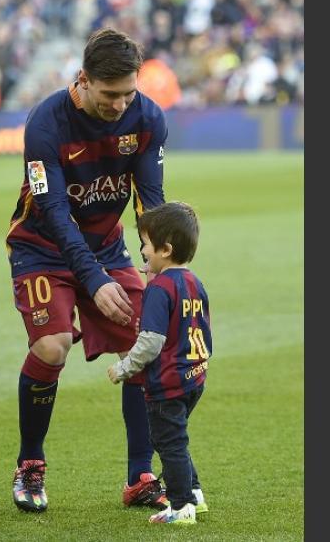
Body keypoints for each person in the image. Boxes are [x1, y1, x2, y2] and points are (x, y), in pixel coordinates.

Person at [6, 27, 168, 512]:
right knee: (52, 348)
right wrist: (94, 281)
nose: (120, 105)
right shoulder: (45, 125)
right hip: (40, 248)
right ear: (84, 79)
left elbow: (151, 200)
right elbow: (54, 211)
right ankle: (30, 465)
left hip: (108, 249)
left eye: (128, 93)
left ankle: (140, 475)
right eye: (109, 94)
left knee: (147, 342)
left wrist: (161, 267)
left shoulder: (148, 118)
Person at [108, 201, 211, 525]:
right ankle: (194, 494)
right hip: (194, 376)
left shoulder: (158, 289)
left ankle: (181, 508)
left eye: (146, 244)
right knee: (175, 438)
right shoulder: (194, 281)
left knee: (168, 441)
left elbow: (151, 341)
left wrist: (125, 369)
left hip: (168, 382)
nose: (141, 250)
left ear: (165, 249)